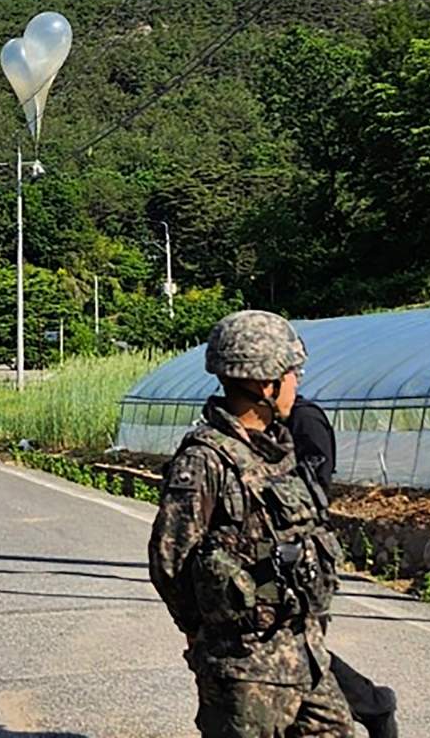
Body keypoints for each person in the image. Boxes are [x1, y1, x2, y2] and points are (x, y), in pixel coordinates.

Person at [148, 309, 353, 738]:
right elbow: (170, 559)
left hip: (303, 654)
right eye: (291, 372)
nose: (297, 382)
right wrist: (207, 635)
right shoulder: (205, 460)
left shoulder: (277, 449)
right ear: (265, 383)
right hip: (244, 669)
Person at [289, 394, 399, 738]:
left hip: (298, 554)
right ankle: (372, 705)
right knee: (287, 652)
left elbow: (316, 488)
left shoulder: (304, 419)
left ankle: (373, 704)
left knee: (296, 650)